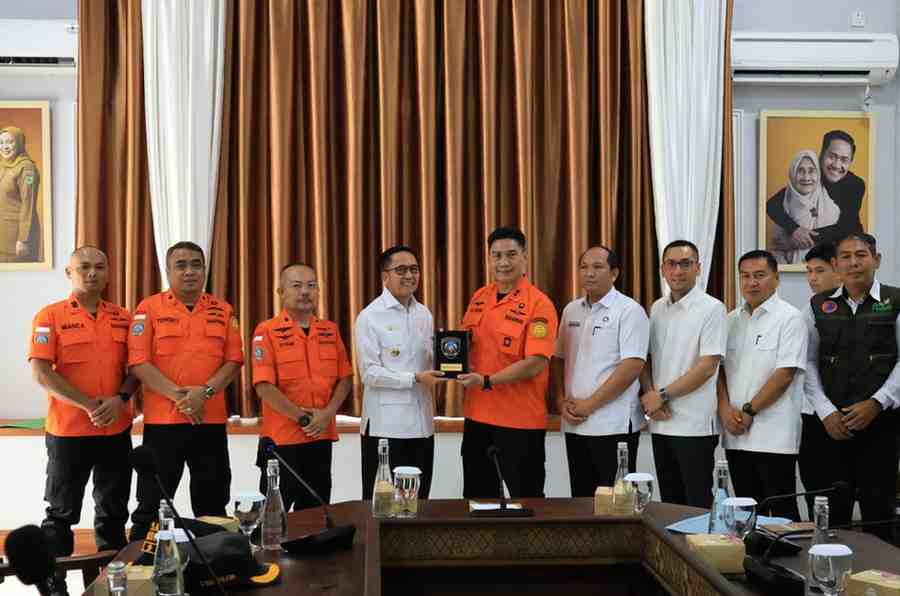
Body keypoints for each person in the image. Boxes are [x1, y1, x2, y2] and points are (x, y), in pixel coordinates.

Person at [28, 247, 137, 595]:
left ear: (108, 273)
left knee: (113, 512)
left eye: (99, 267)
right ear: (68, 273)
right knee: (61, 513)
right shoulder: (50, 316)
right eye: (84, 267)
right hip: (68, 433)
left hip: (114, 431)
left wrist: (120, 399)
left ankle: (110, 581)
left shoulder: (123, 317)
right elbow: (41, 373)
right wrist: (89, 404)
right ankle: (53, 581)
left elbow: (136, 370)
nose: (92, 273)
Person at [128, 241, 244, 541]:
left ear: (205, 269)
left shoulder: (223, 309)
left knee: (213, 502)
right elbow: (139, 363)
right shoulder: (148, 308)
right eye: (181, 265)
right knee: (151, 503)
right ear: (167, 271)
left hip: (210, 422)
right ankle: (144, 567)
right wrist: (182, 398)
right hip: (164, 424)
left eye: (196, 264)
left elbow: (233, 361)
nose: (190, 271)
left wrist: (202, 395)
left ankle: (214, 567)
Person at [804, 233, 899, 544]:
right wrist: (826, 412)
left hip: (881, 425)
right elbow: (807, 364)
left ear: (877, 260)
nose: (854, 262)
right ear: (836, 264)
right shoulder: (818, 305)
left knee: (879, 512)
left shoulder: (895, 301)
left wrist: (877, 402)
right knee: (831, 514)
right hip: (830, 428)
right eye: (846, 256)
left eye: (861, 255)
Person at [457, 226, 559, 498]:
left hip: (520, 423)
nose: (503, 262)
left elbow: (536, 362)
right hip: (477, 417)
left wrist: (488, 380)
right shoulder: (480, 297)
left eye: (511, 254)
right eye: (496, 255)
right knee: (477, 500)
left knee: (526, 503)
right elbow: (467, 345)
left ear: (525, 257)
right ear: (489, 258)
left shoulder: (540, 305)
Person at [251, 263, 353, 510]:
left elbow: (345, 378)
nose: (305, 292)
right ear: (281, 292)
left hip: (320, 438)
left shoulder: (329, 330)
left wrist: (327, 415)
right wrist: (304, 419)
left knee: (315, 516)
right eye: (296, 286)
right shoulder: (267, 331)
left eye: (311, 285)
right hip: (282, 441)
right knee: (274, 517)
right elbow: (264, 386)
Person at [551, 246, 649, 496]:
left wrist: (590, 405)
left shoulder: (629, 310)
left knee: (616, 503)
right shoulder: (571, 310)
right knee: (582, 500)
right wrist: (562, 400)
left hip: (613, 427)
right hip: (575, 424)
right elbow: (559, 358)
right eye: (584, 267)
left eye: (597, 267)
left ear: (614, 273)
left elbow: (632, 366)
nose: (589, 273)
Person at [718, 250, 807, 519]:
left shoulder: (790, 318)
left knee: (781, 513)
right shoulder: (731, 319)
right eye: (745, 276)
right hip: (735, 434)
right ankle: (749, 561)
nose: (751, 282)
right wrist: (724, 409)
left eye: (759, 275)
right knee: (745, 511)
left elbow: (784, 374)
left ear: (776, 279)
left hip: (774, 435)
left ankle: (787, 562)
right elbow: (719, 370)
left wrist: (749, 411)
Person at [640, 240, 726, 508]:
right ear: (663, 269)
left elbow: (707, 367)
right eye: (672, 264)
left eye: (686, 264)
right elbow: (647, 358)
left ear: (698, 268)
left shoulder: (712, 308)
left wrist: (662, 395)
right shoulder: (657, 308)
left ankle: (701, 552)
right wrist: (650, 396)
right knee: (670, 502)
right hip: (661, 421)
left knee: (697, 501)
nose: (678, 271)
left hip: (695, 425)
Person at [356, 246, 445, 499]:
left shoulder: (423, 313)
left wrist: (452, 361)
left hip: (423, 425)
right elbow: (369, 373)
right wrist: (414, 378)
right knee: (383, 504)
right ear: (385, 276)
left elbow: (430, 358)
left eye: (414, 269)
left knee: (419, 500)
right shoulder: (370, 316)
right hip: (386, 429)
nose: (409, 275)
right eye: (401, 270)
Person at [767, 130, 866, 253]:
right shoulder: (812, 174)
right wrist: (794, 229)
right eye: (832, 156)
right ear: (821, 155)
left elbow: (845, 228)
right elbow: (772, 205)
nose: (836, 165)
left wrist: (794, 242)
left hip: (847, 246)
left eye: (844, 160)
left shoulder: (855, 185)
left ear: (850, 162)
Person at [798, 242, 841, 518]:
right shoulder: (809, 310)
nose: (813, 278)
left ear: (838, 269)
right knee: (818, 492)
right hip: (817, 414)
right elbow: (807, 365)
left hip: (858, 411)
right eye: (809, 271)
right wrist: (825, 410)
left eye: (820, 270)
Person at [766, 150, 840, 264]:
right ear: (792, 174)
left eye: (811, 171)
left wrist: (793, 243)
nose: (806, 177)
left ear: (819, 174)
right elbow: (777, 247)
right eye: (800, 170)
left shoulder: (832, 208)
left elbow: (837, 238)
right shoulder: (782, 204)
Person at [0, 126, 40, 262]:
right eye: (1, 143)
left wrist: (23, 239)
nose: (5, 147)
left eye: (10, 142)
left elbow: (28, 204)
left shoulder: (27, 168)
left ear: (19, 143)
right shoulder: (2, 165)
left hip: (15, 239)